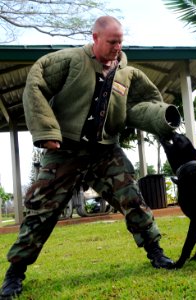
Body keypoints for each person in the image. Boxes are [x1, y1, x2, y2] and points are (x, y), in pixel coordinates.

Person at [1, 16, 181, 298]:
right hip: (66, 150)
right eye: (112, 41)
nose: (117, 46)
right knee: (42, 210)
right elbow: (35, 82)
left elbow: (148, 101)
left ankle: (156, 253)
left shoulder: (128, 74)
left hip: (105, 150)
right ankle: (15, 274)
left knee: (132, 197)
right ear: (95, 38)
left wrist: (160, 120)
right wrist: (47, 130)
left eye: (120, 41)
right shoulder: (70, 60)